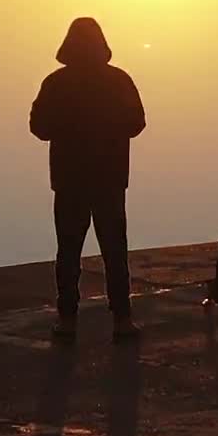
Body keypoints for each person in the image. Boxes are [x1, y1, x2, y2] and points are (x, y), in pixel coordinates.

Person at [30, 17, 146, 340]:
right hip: (108, 180)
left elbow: (37, 125)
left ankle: (67, 320)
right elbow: (137, 122)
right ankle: (122, 320)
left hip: (71, 181)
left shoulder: (56, 83)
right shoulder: (118, 81)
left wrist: (69, 125)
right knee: (113, 250)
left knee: (68, 252)